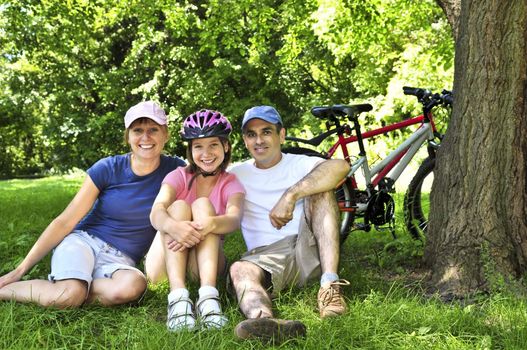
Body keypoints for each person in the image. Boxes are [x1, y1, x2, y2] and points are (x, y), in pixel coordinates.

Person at [0, 101, 185, 308]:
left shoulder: (177, 170)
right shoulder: (108, 167)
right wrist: (20, 269)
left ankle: (75, 290)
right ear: (128, 136)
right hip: (84, 243)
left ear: (166, 134)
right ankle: (8, 291)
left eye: (153, 130)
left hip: (121, 260)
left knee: (132, 287)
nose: (145, 137)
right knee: (65, 297)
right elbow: (65, 220)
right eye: (138, 130)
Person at [228, 105, 351, 343]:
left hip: (310, 245)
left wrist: (290, 195)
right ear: (244, 140)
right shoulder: (237, 174)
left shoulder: (300, 163)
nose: (259, 140)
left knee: (321, 191)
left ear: (281, 135)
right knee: (239, 269)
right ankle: (263, 321)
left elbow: (341, 167)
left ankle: (330, 287)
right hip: (267, 258)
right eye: (251, 134)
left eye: (266, 131)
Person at [146, 110, 245, 332]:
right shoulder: (179, 176)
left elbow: (234, 219)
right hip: (163, 266)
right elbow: (156, 212)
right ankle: (178, 298)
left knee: (202, 205)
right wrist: (176, 227)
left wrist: (208, 225)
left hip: (201, 266)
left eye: (213, 145)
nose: (206, 153)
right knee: (179, 207)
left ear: (226, 147)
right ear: (190, 150)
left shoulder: (230, 182)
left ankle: (208, 298)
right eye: (198, 146)